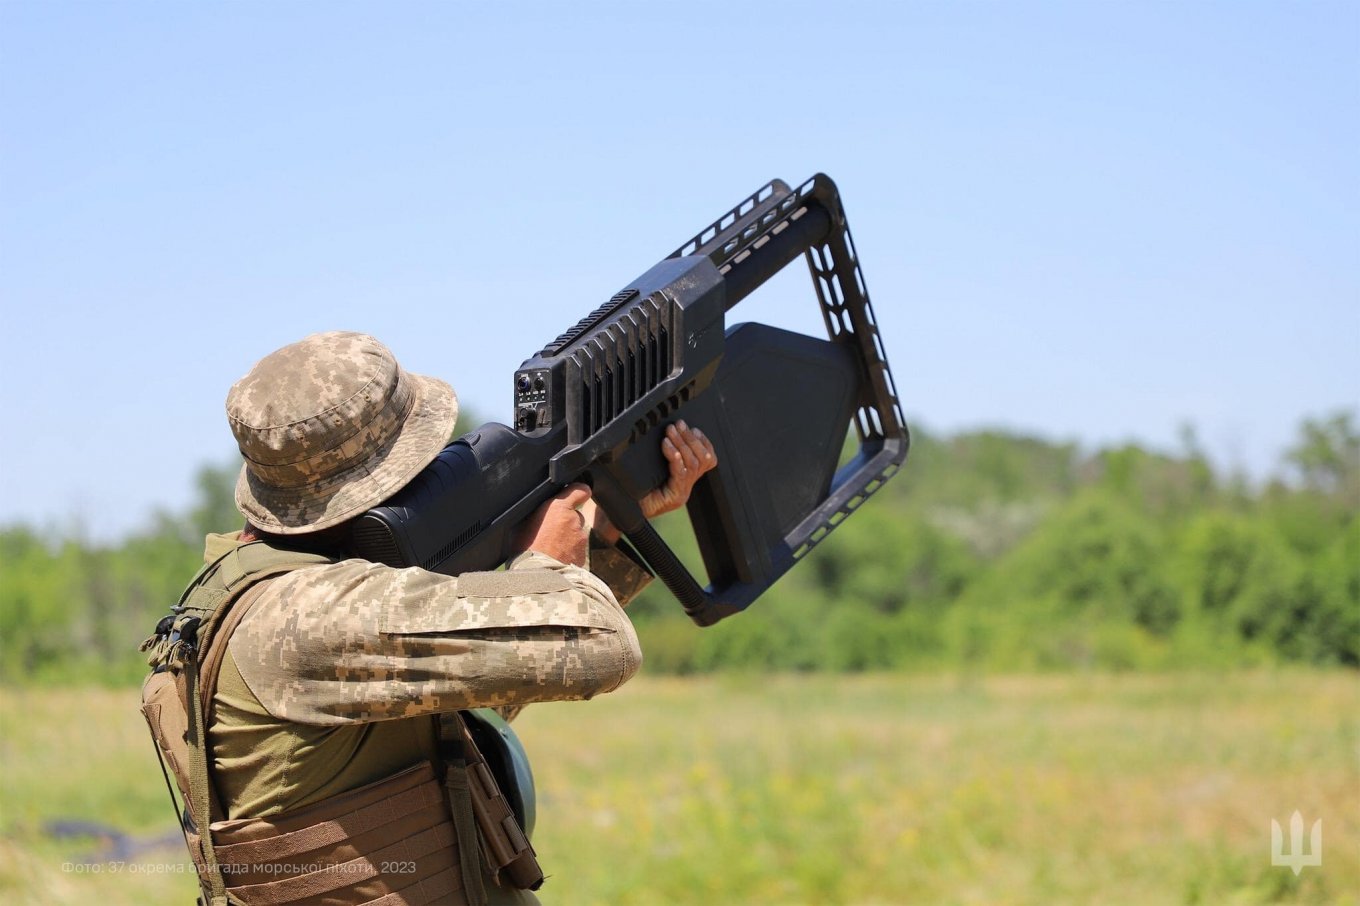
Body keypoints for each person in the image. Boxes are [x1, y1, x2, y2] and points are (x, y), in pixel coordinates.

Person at [140, 330, 716, 906]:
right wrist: (544, 559)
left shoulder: (258, 590)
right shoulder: (312, 610)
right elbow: (599, 648)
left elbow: (474, 698)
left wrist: (606, 528)